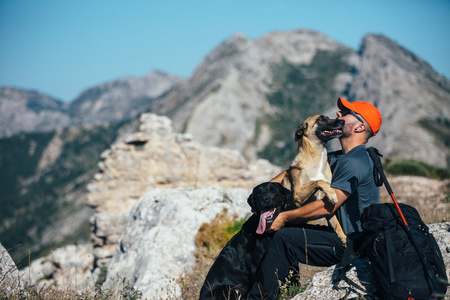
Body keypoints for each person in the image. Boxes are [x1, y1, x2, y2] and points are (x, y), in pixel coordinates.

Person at [248, 97, 383, 299]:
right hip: (339, 235)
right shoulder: (338, 158)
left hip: (351, 243)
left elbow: (326, 207)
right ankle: (287, 292)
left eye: (346, 113)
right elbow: (293, 174)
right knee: (288, 233)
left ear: (359, 127)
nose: (338, 114)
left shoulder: (356, 162)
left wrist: (283, 217)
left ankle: (258, 297)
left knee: (283, 238)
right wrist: (265, 194)